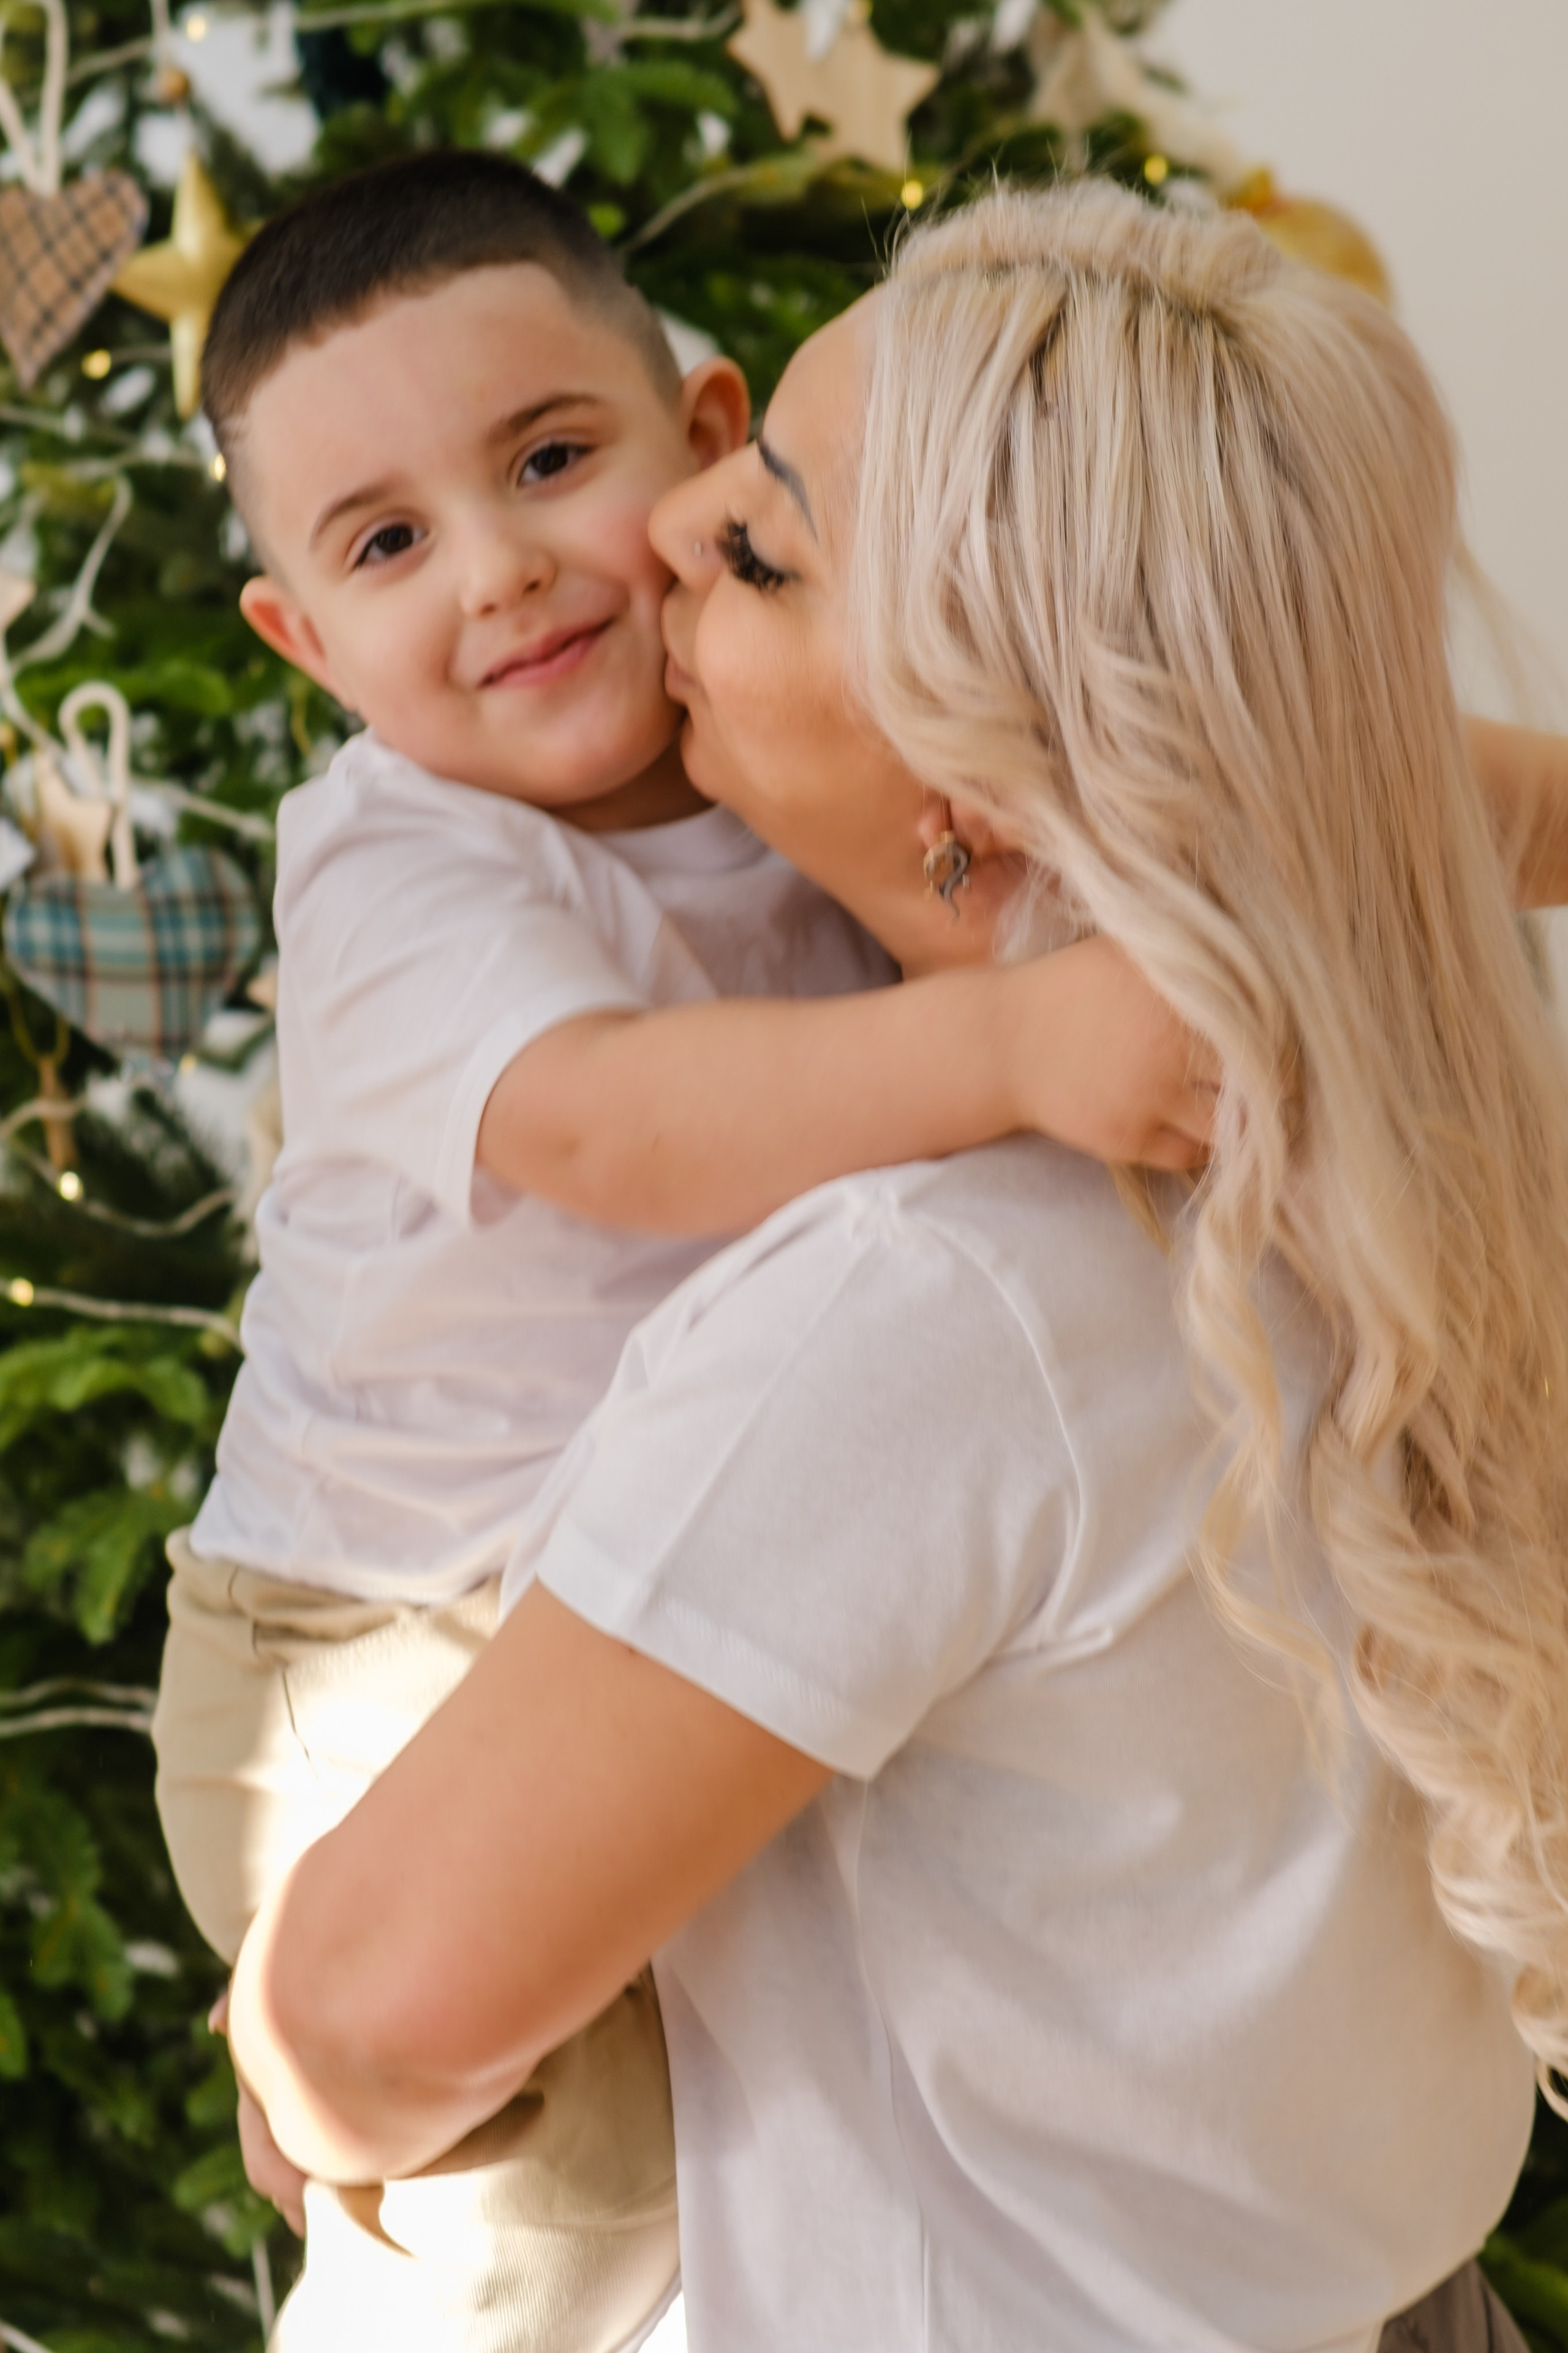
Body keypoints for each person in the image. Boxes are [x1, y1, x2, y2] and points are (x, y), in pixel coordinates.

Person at [225, 179, 1568, 2351]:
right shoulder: (1388, 1134)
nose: (637, 546)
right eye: (383, 539)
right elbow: (1360, 763)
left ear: (977, 777)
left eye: (751, 541)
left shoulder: (940, 1296)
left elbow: (374, 2011)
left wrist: (288, 2043)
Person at [153, 152, 1216, 2353]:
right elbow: (609, 1129)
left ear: (710, 443)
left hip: (621, 1579)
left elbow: (1235, 751)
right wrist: (1013, 1038)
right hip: (368, 1641)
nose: (501, 570)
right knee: (574, 2235)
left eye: (549, 459)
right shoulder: (401, 865)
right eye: (384, 545)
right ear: (301, 639)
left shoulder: (801, 717)